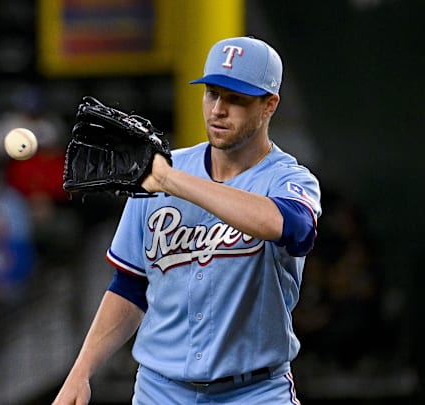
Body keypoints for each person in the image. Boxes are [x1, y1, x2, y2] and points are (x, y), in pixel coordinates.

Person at [53, 36, 322, 405]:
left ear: (269, 105)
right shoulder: (156, 172)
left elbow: (291, 227)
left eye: (236, 99)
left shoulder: (286, 179)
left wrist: (170, 181)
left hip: (254, 391)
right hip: (160, 390)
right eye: (212, 94)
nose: (218, 110)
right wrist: (80, 373)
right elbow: (130, 286)